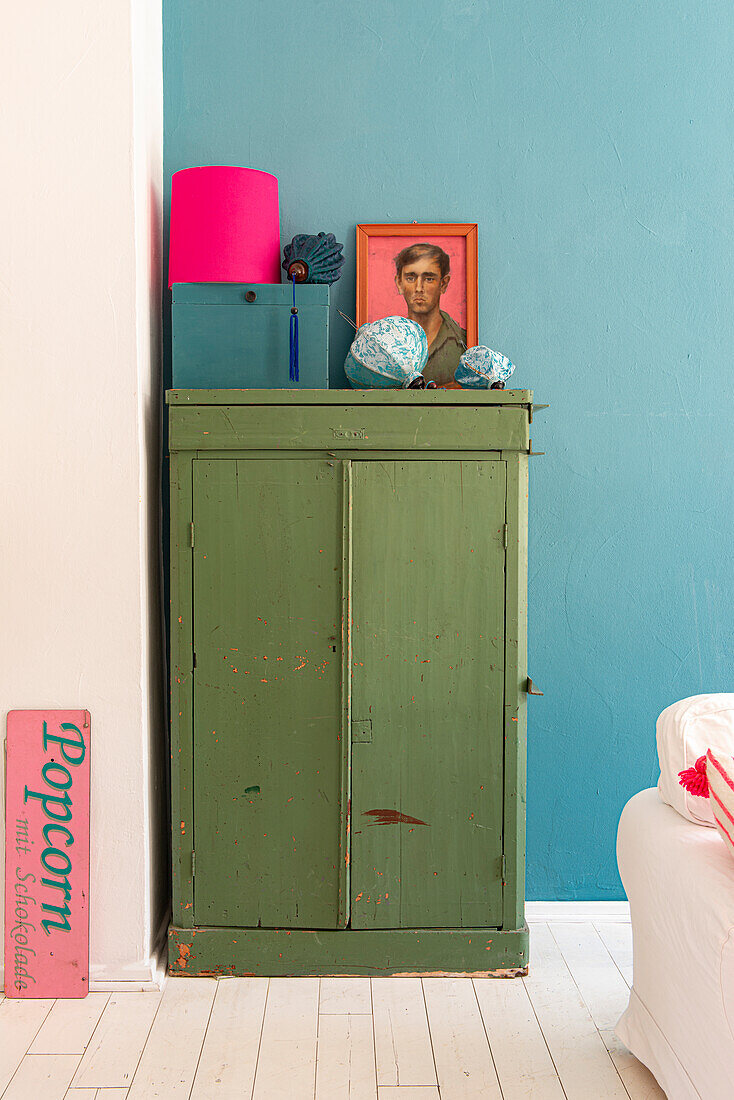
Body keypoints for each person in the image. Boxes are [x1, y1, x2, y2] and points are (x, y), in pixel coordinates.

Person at [393, 243, 466, 385]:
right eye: (410, 278)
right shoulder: (387, 343)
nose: (419, 288)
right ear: (399, 283)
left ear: (443, 284)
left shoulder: (464, 342)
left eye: (429, 279)